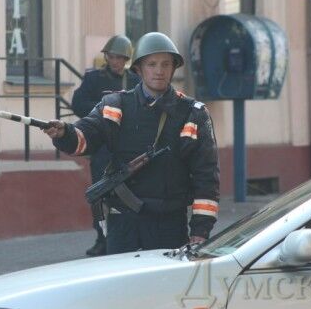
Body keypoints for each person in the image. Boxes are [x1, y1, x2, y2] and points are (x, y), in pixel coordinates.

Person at [44, 32, 219, 255]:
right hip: (123, 224)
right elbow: (84, 138)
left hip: (168, 225)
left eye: (166, 64)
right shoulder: (116, 104)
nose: (159, 70)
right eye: (152, 64)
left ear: (174, 68)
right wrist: (64, 134)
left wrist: (200, 231)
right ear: (138, 69)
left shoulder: (193, 113)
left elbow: (207, 177)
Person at [71, 35, 141, 256]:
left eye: (120, 58)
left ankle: (128, 238)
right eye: (111, 57)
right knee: (100, 195)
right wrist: (107, 109)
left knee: (130, 195)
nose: (115, 62)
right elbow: (78, 104)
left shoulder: (134, 81)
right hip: (102, 147)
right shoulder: (94, 80)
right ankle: (102, 238)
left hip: (127, 148)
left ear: (127, 58)